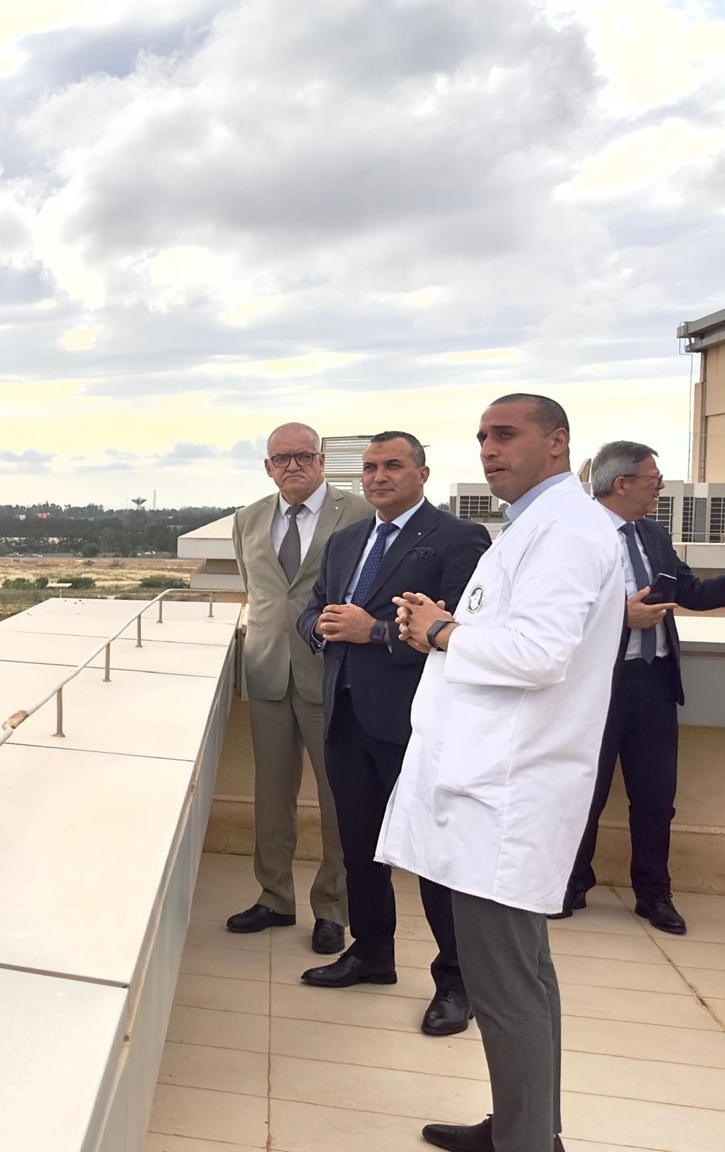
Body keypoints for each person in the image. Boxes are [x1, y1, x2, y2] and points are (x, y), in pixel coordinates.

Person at [387, 394, 624, 1152]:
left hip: (508, 796)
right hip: (495, 787)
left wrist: (442, 631)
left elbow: (540, 654)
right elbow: (514, 634)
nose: (489, 449)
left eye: (507, 434)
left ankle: (525, 1143)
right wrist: (448, 628)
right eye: (483, 436)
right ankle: (526, 1129)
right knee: (525, 979)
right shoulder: (538, 525)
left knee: (507, 988)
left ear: (557, 443)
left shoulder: (567, 530)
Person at [296, 431, 490, 1037]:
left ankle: (456, 981)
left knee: (432, 854)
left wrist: (373, 631)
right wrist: (321, 627)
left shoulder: (458, 538)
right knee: (360, 847)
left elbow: (460, 630)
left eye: (393, 466)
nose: (379, 477)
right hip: (346, 717)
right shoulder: (345, 541)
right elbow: (312, 609)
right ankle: (372, 952)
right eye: (370, 467)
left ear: (422, 473)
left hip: (415, 724)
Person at [559, 441, 725, 933]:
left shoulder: (652, 533)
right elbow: (551, 616)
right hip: (596, 685)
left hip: (654, 683)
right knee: (584, 792)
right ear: (622, 484)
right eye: (654, 479)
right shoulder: (573, 534)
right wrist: (619, 617)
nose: (660, 486)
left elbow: (691, 593)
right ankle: (570, 882)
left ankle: (654, 894)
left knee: (655, 798)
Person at [228, 422, 367, 953]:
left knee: (338, 800)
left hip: (332, 676)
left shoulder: (358, 513)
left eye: (304, 456)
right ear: (268, 467)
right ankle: (274, 898)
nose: (293, 466)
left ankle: (332, 908)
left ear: (322, 461)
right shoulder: (248, 519)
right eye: (281, 458)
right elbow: (259, 594)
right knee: (270, 797)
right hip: (266, 672)